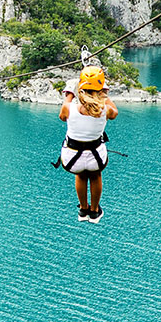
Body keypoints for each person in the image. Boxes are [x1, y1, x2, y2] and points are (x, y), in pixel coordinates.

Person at [58, 65, 118, 222]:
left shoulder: (68, 108)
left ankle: (83, 209)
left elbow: (62, 116)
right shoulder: (106, 110)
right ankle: (94, 211)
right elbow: (114, 112)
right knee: (95, 176)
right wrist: (104, 94)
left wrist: (70, 93)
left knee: (81, 175)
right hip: (96, 158)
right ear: (100, 90)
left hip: (72, 159)